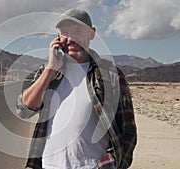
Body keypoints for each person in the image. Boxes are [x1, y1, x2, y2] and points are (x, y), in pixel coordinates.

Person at [17, 8, 137, 169]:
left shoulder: (110, 76)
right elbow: (23, 111)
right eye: (65, 32)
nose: (71, 38)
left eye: (78, 31)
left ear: (92, 33)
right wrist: (50, 70)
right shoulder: (48, 72)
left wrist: (110, 164)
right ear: (58, 37)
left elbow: (127, 131)